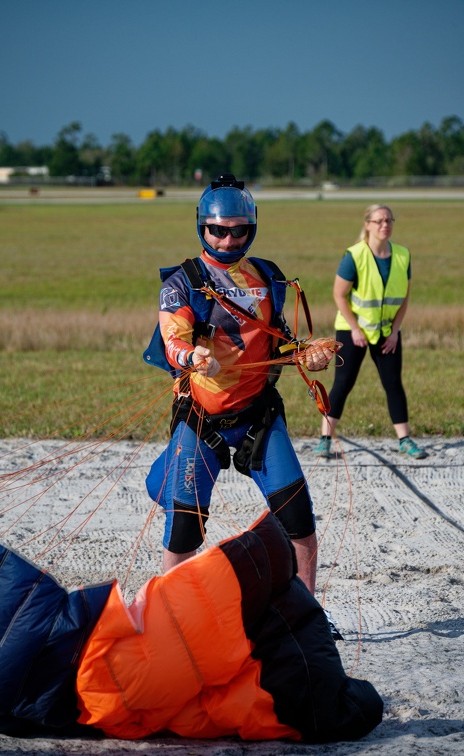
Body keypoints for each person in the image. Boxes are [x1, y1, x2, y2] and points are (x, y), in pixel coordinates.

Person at [145, 174, 335, 595]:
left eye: (239, 231)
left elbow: (280, 342)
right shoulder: (183, 282)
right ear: (202, 226)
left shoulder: (267, 277)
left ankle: (308, 613)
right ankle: (171, 611)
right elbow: (173, 337)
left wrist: (308, 354)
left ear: (252, 228)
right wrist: (192, 357)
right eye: (218, 230)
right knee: (184, 528)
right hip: (201, 418)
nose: (229, 240)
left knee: (299, 520)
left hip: (258, 415)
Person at [315, 204, 428, 460]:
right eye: (378, 221)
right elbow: (339, 295)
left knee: (393, 384)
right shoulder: (355, 256)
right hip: (352, 330)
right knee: (343, 383)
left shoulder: (402, 256)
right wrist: (355, 328)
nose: (384, 225)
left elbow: (404, 299)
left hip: (386, 332)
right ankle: (324, 439)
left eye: (388, 220)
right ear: (367, 224)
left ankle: (405, 440)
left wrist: (395, 331)